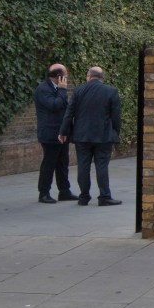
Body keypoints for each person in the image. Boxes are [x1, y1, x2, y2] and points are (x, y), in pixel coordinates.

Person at [57, 66, 122, 206]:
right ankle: (104, 196)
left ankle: (84, 197)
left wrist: (63, 132)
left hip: (82, 136)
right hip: (103, 136)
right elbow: (116, 116)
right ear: (101, 77)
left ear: (88, 77)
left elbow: (69, 113)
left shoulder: (78, 91)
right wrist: (116, 132)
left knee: (83, 166)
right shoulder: (111, 91)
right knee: (102, 166)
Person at [33, 63, 77, 204]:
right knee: (49, 163)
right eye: (65, 76)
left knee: (63, 163)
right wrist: (63, 91)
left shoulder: (57, 88)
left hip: (62, 133)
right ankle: (44, 193)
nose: (66, 79)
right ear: (58, 77)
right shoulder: (43, 89)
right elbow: (54, 105)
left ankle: (64, 191)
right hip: (50, 134)